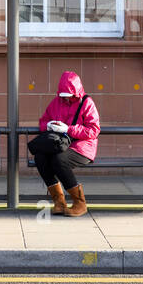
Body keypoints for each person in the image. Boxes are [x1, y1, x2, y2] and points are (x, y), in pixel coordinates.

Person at [35, 70, 100, 217]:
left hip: (82, 147)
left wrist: (68, 129)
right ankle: (59, 202)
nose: (66, 99)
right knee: (40, 157)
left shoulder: (86, 103)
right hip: (61, 145)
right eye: (63, 96)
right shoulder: (56, 102)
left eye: (69, 96)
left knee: (59, 160)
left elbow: (93, 130)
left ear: (76, 92)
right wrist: (49, 125)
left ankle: (79, 202)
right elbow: (43, 122)